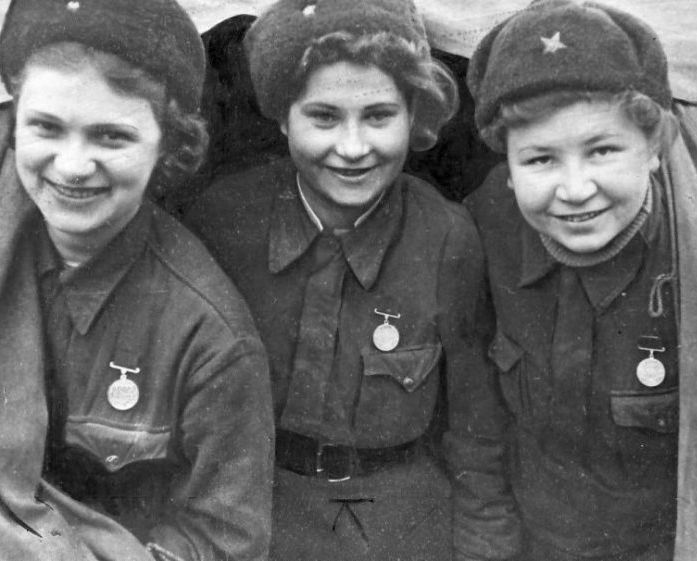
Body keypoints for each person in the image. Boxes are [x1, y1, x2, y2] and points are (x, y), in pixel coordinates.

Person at [185, 1, 485, 559]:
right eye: (323, 117)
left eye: (379, 116)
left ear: (413, 113)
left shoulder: (447, 238)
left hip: (403, 524)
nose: (352, 148)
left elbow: (475, 424)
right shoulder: (223, 219)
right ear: (282, 116)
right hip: (254, 514)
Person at [0, 1, 274, 559]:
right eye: (46, 127)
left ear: (169, 145)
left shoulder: (210, 338)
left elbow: (224, 540)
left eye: (111, 137)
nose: (71, 165)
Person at [458, 0, 694, 559]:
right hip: (532, 538)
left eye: (603, 150)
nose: (574, 188)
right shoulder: (484, 226)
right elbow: (474, 412)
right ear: (507, 170)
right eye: (540, 160)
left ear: (656, 149)